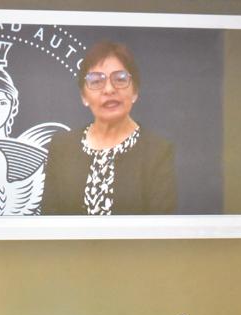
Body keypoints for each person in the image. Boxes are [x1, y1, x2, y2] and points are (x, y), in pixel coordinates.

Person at [41, 40, 177, 215]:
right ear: (83, 96)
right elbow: (49, 221)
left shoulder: (157, 151)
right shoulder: (61, 147)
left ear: (135, 91)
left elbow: (160, 230)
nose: (109, 89)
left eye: (120, 79)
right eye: (96, 81)